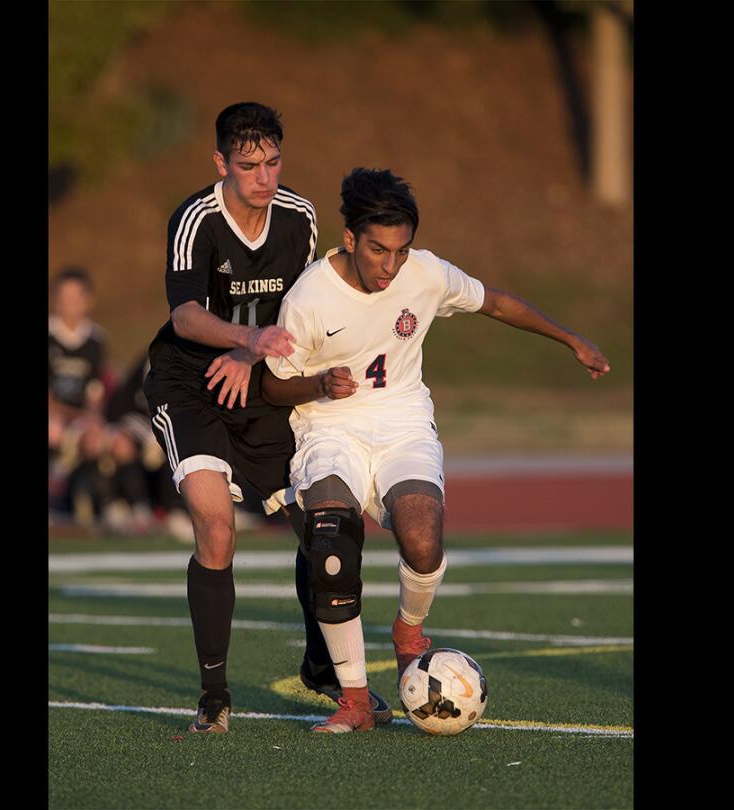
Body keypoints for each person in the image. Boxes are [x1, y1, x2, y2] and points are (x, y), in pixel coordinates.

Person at [260, 168, 611, 733]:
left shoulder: (424, 274)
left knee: (423, 543)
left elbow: (494, 303)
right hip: (330, 429)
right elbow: (274, 384)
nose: (390, 265)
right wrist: (318, 384)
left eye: (401, 251)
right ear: (349, 239)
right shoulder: (310, 295)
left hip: (403, 426)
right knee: (331, 550)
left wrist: (572, 339)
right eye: (378, 250)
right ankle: (353, 699)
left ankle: (408, 632)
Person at [142, 103, 390, 733]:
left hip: (257, 384)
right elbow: (184, 316)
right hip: (189, 385)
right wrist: (242, 344)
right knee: (216, 525)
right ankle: (214, 696)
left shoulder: (299, 217)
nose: (264, 177)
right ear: (220, 162)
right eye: (248, 165)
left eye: (273, 161)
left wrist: (253, 358)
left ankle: (322, 664)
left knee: (326, 523)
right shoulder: (195, 218)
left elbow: (299, 308)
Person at [48, 266, 118, 527]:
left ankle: (99, 504)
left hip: (78, 416)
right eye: (64, 298)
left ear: (89, 300)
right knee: (53, 430)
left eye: (77, 297)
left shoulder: (96, 339)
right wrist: (76, 416)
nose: (70, 304)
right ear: (55, 299)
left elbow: (95, 391)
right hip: (55, 416)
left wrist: (93, 419)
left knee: (95, 437)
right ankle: (55, 503)